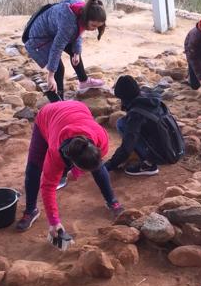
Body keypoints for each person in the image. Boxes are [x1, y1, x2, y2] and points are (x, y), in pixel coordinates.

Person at [16, 100, 122, 247]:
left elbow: (94, 161)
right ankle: (31, 210)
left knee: (97, 165)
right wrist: (54, 223)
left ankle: (112, 202)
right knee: (33, 168)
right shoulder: (55, 153)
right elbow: (48, 187)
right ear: (72, 162)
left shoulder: (101, 138)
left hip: (77, 109)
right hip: (48, 116)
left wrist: (76, 172)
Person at [23, 0, 107, 101]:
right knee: (58, 69)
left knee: (75, 51)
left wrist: (76, 52)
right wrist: (50, 76)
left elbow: (78, 31)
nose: (94, 29)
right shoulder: (69, 24)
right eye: (93, 25)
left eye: (98, 27)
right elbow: (57, 48)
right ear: (86, 19)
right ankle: (58, 100)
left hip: (54, 29)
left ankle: (84, 82)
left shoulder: (83, 9)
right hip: (39, 37)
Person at [105, 76, 185, 177]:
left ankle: (149, 165)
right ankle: (146, 155)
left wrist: (110, 165)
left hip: (165, 156)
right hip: (177, 147)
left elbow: (127, 147)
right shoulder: (151, 98)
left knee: (121, 124)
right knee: (129, 124)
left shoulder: (136, 115)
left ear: (124, 97)